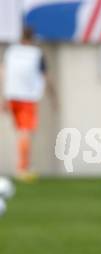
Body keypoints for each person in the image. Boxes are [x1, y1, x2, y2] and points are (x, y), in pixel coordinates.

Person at [0, 27, 54, 181]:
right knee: (25, 132)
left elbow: (3, 73)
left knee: (20, 132)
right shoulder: (36, 54)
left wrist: (3, 98)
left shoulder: (11, 52)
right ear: (33, 38)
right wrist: (53, 95)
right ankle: (22, 168)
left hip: (11, 96)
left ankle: (23, 166)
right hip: (27, 98)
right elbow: (45, 76)